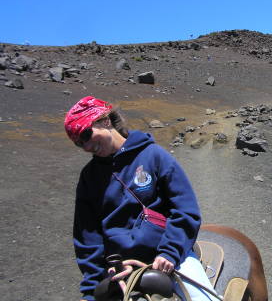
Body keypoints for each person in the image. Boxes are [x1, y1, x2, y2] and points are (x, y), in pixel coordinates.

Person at [65, 96, 214, 301]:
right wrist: (93, 284)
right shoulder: (89, 177)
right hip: (118, 267)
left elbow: (185, 209)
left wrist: (170, 252)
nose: (87, 146)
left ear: (105, 121)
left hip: (165, 255)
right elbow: (86, 236)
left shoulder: (154, 155)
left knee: (204, 299)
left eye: (87, 134)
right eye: (79, 143)